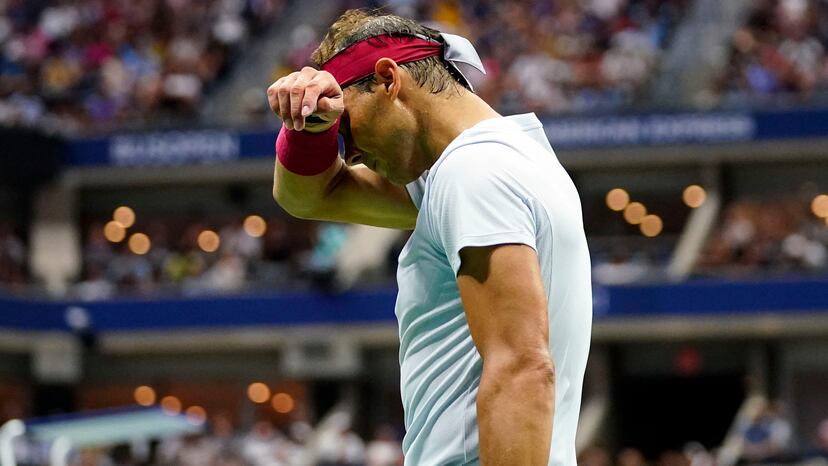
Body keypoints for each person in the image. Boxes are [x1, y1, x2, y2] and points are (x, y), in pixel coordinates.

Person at [268, 9, 592, 465]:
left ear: (388, 80)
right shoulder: (512, 158)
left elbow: (521, 369)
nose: (350, 152)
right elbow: (310, 196)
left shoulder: (474, 172)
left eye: (346, 127)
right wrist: (309, 130)